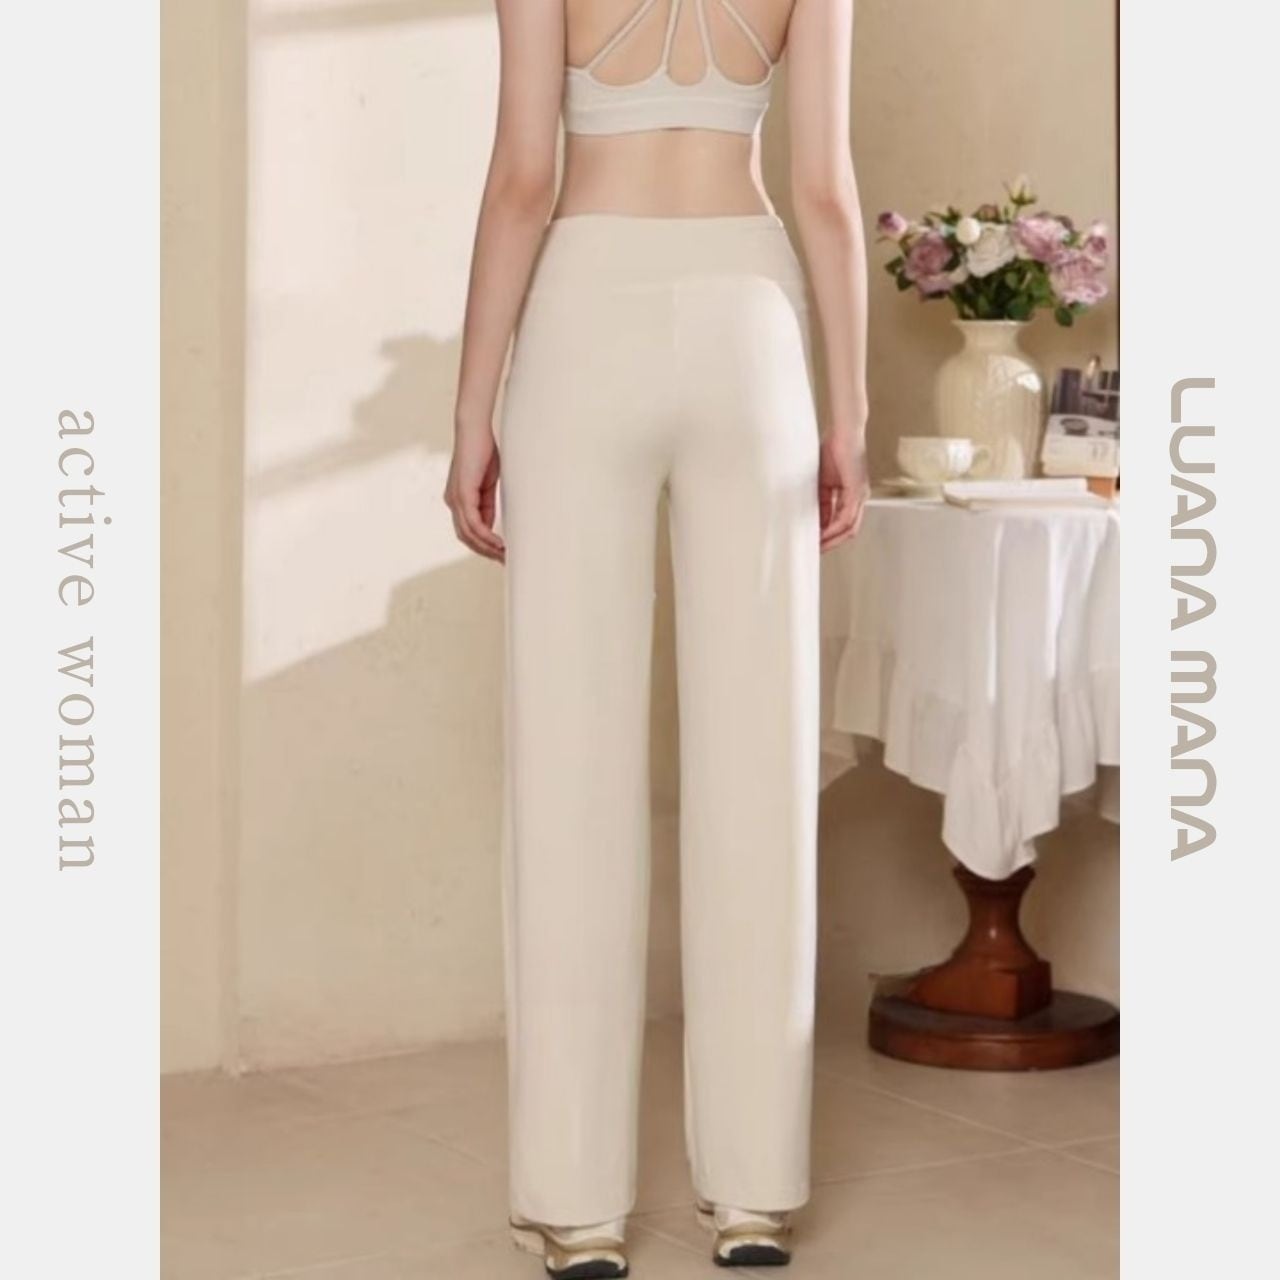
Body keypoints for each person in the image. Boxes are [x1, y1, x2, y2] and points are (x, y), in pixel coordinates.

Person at [446, 0, 868, 1272]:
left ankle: (575, 1205)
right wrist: (848, 417)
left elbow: (523, 180)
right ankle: (752, 1195)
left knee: (568, 763)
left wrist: (471, 415)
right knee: (758, 766)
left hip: (586, 314)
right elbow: (823, 187)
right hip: (750, 324)